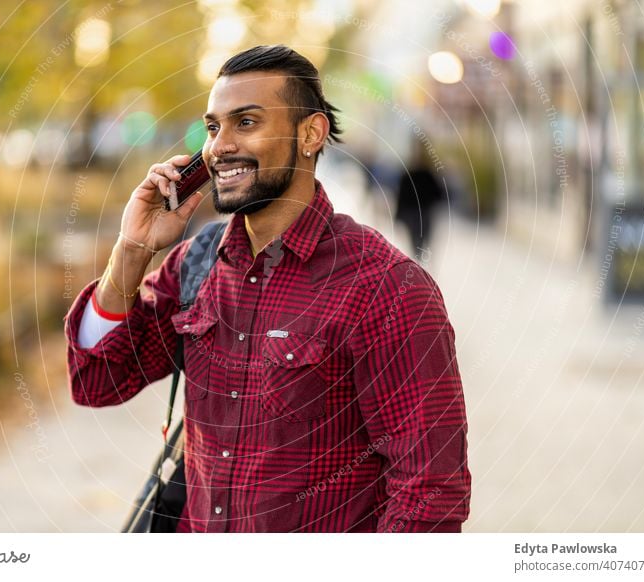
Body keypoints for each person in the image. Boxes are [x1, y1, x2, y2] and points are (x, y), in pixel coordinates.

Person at [65, 45, 471, 533]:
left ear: (310, 133)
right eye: (213, 127)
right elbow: (95, 382)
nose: (218, 147)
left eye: (247, 123)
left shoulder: (387, 288)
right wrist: (132, 249)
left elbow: (430, 493)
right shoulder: (196, 265)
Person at [396, 141, 445, 263]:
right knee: (419, 243)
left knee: (419, 243)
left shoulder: (425, 174)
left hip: (422, 213)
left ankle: (418, 264)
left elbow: (438, 194)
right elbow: (401, 196)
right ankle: (418, 264)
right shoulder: (414, 174)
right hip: (417, 214)